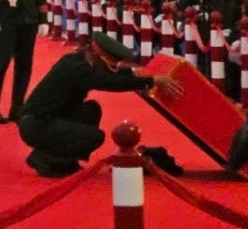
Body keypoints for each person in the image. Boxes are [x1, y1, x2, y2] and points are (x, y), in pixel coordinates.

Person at [17, 33, 184, 177]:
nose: (114, 66)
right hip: (37, 126)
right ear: (101, 56)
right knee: (95, 136)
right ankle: (44, 158)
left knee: (91, 109)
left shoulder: (77, 60)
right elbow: (110, 81)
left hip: (45, 120)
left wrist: (138, 74)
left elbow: (111, 74)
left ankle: (65, 161)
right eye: (112, 62)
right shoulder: (78, 69)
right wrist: (151, 81)